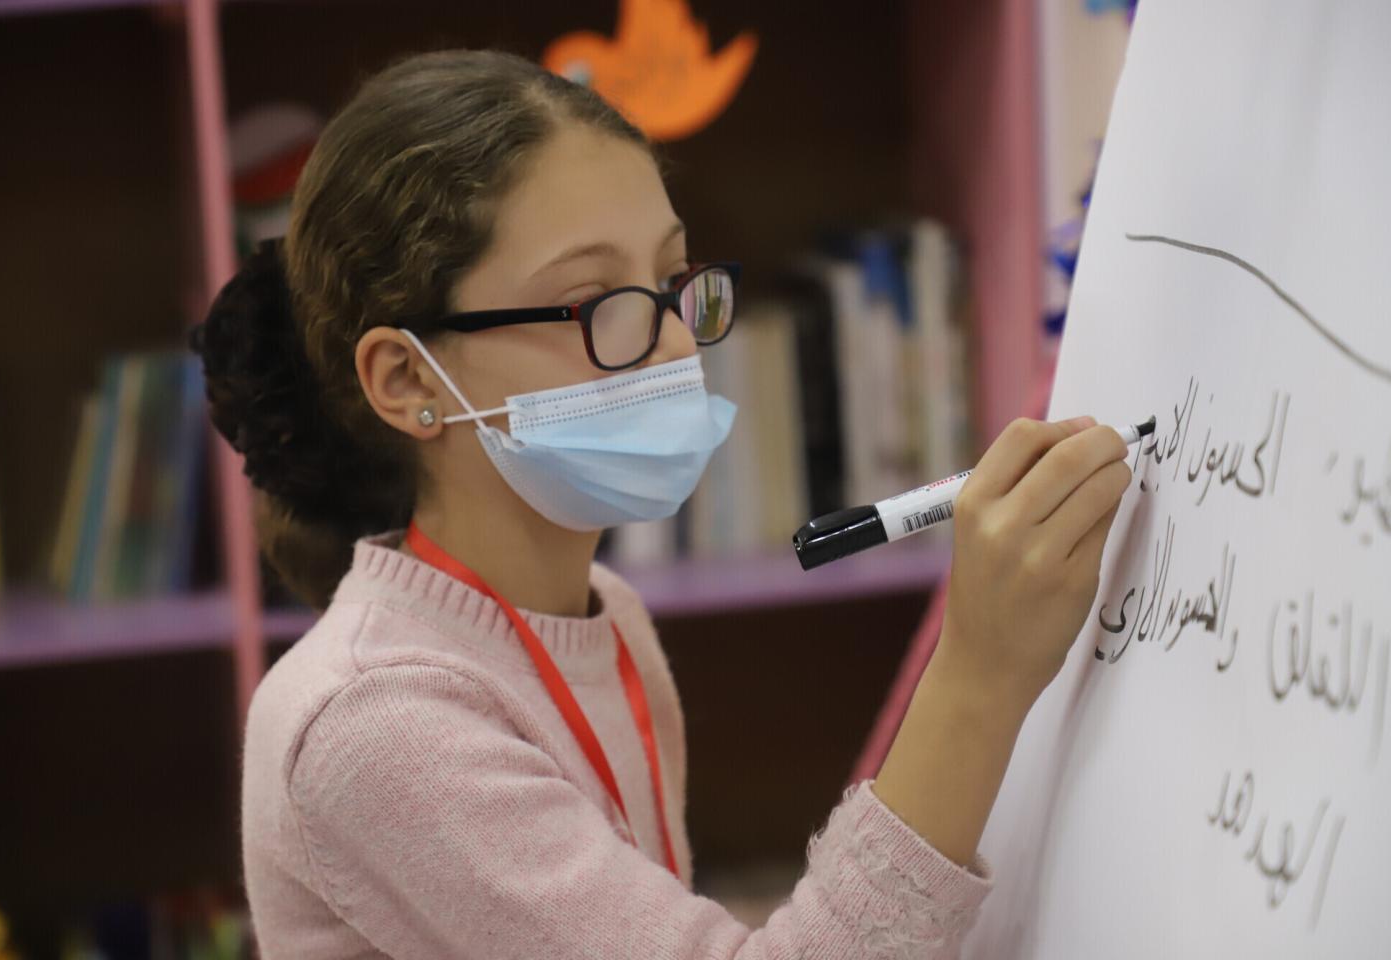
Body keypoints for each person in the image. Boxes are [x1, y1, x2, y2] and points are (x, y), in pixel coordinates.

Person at [190, 49, 1132, 960]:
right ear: (406, 378)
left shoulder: (605, 614)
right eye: (597, 302)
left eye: (674, 285)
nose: (677, 348)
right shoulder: (373, 724)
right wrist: (979, 674)